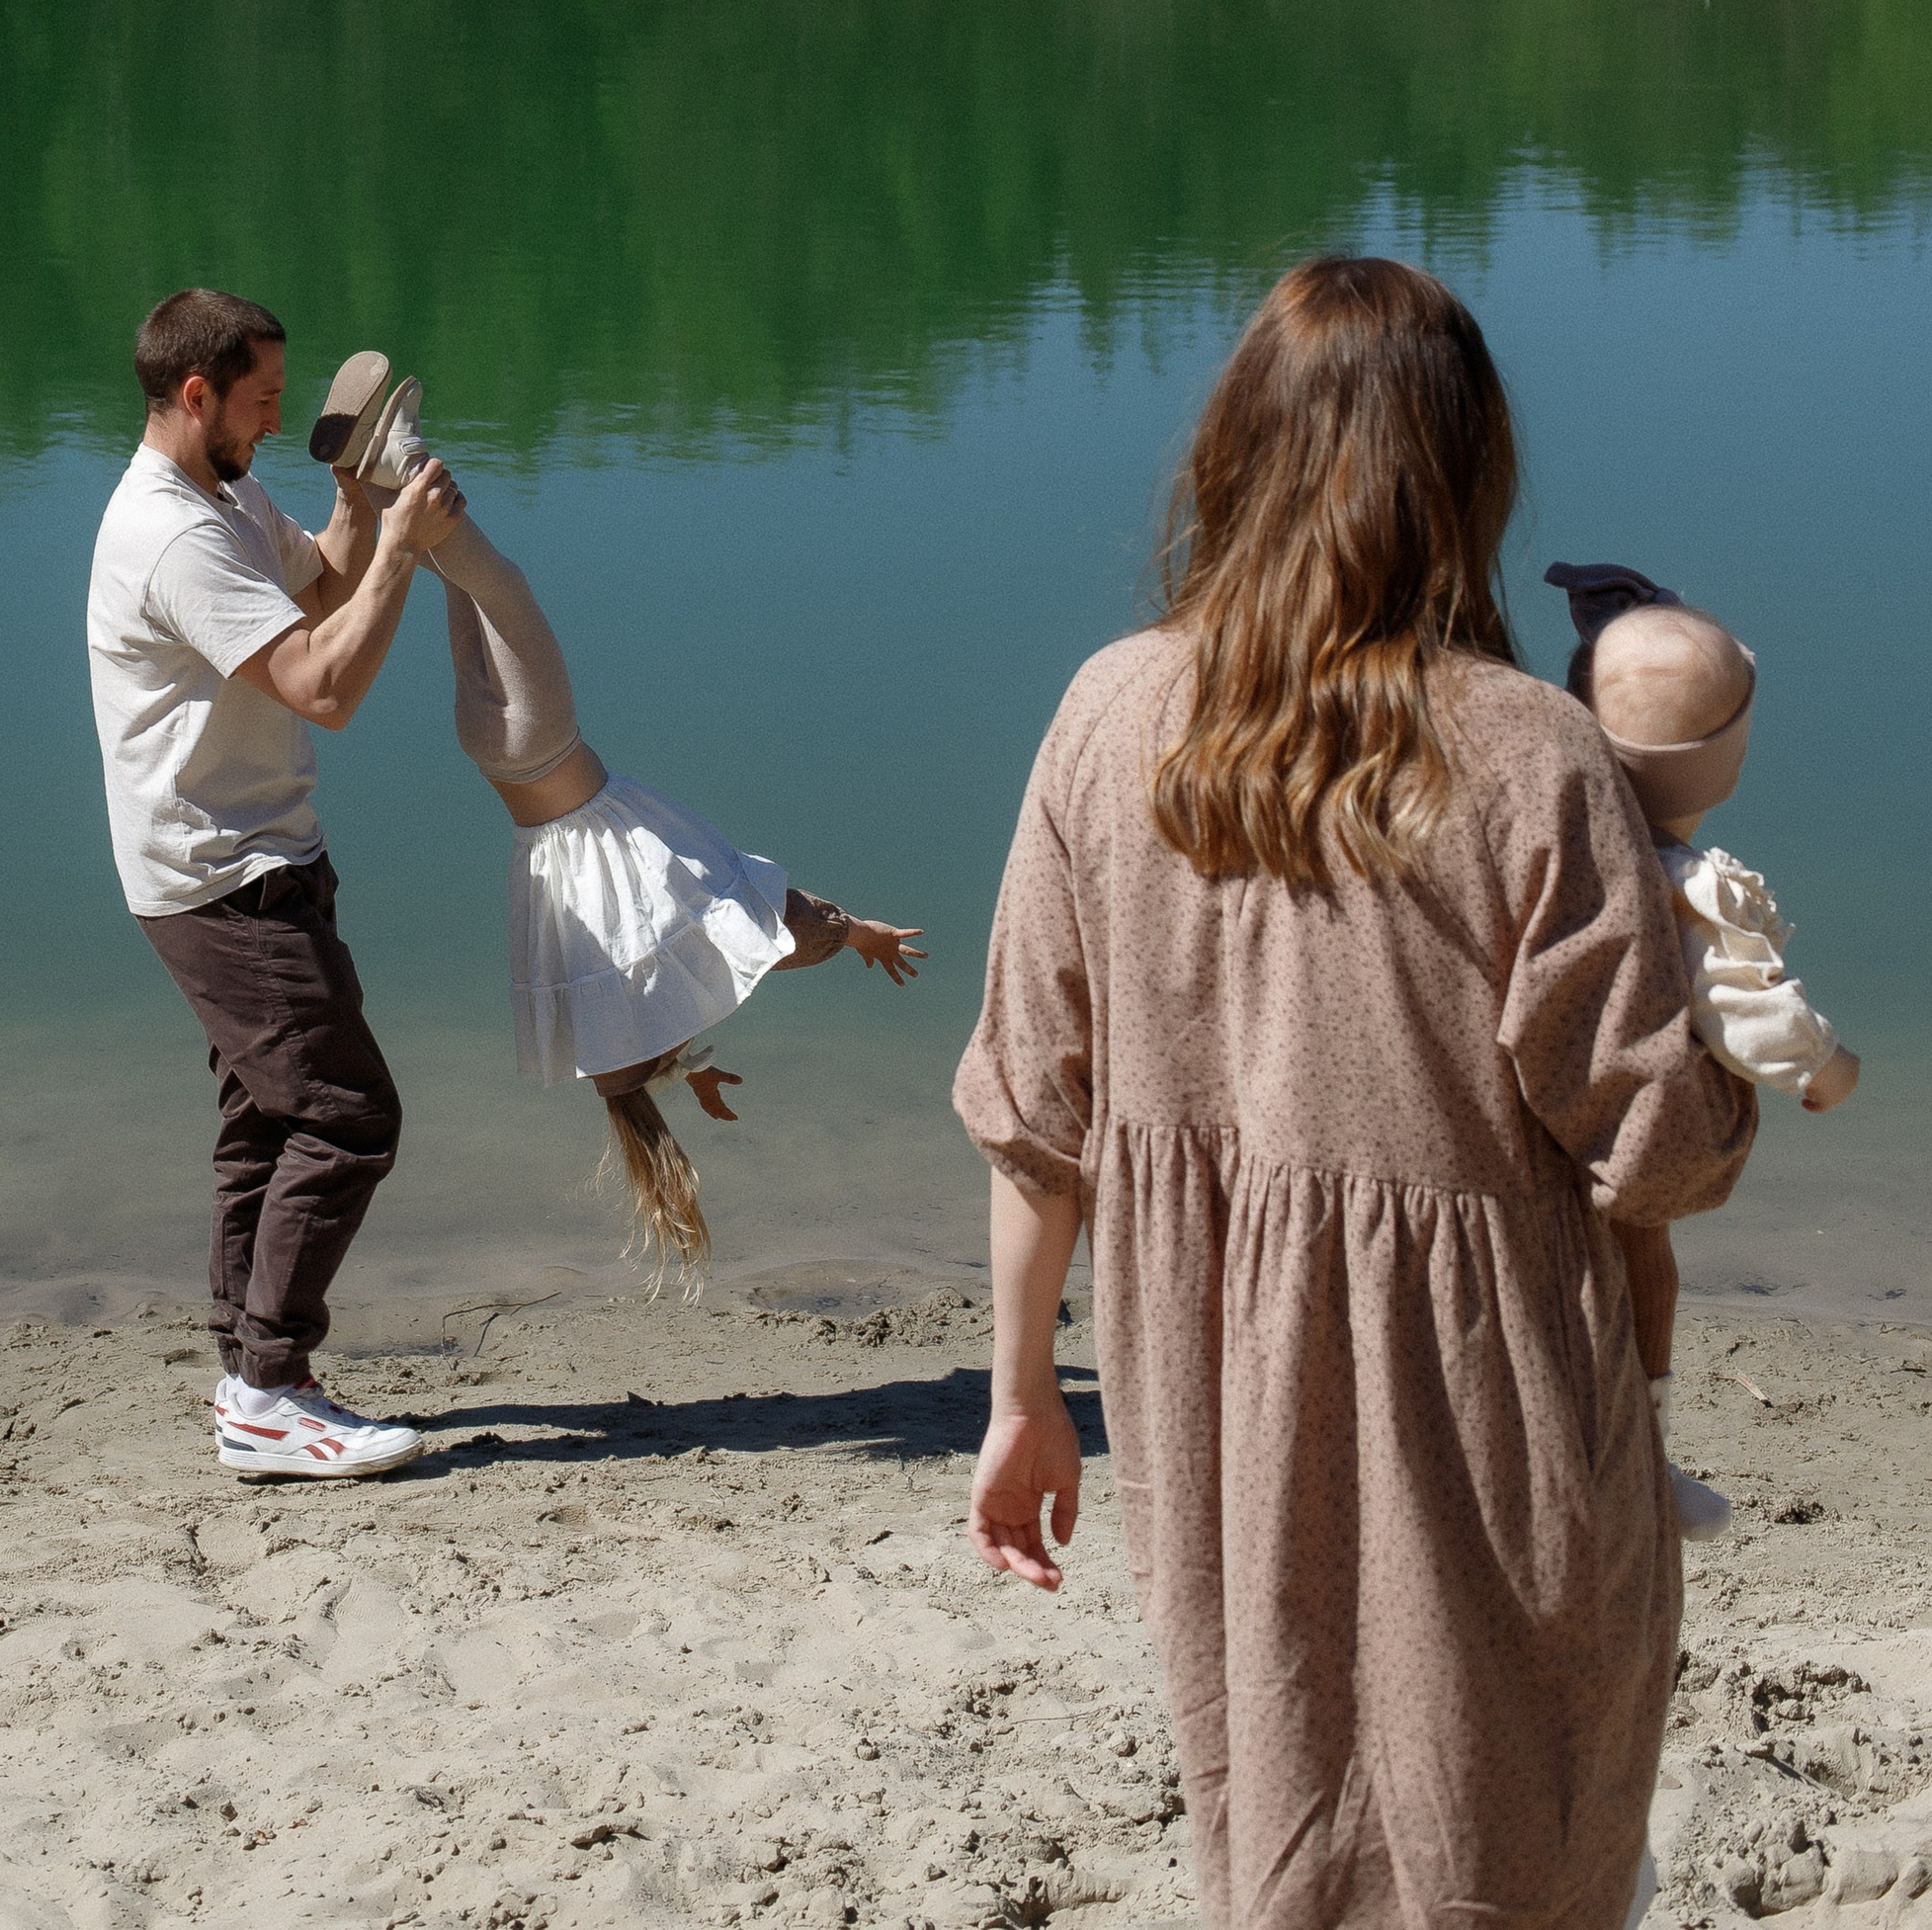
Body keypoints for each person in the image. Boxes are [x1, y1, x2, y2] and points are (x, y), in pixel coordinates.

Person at [956, 257, 1757, 1930]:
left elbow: (1035, 1118)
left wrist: (1021, 1393)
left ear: (1233, 454)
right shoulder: (1533, 754)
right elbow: (1661, 1156)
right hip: (1490, 1410)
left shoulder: (1108, 717)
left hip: (1213, 1398)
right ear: (1465, 476)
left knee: (1287, 1798)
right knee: (1509, 1833)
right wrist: (1728, 1024)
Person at [343, 369, 923, 1277]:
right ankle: (383, 482)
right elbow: (643, 1041)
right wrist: (684, 1073)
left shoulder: (651, 1011)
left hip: (549, 752)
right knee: (457, 584)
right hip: (494, 762)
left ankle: (399, 461)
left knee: (499, 585)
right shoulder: (611, 1051)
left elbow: (781, 926)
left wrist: (853, 936)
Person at [86, 294, 462, 1483]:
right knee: (348, 1117)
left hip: (263, 855)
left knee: (265, 1124)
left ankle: (248, 1366)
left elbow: (315, 594)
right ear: (194, 395)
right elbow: (326, 687)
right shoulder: (171, 534)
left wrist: (358, 505)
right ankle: (267, 1391)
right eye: (259, 400)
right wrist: (405, 550)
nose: (275, 418)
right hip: (216, 875)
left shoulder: (229, 491)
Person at [1547, 563, 1862, 1540]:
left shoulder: (1545, 845)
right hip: (1629, 1129)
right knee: (1647, 1270)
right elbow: (1747, 1014)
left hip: (1531, 1101)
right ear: (1726, 772)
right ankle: (1643, 1451)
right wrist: (1827, 1070)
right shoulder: (1695, 891)